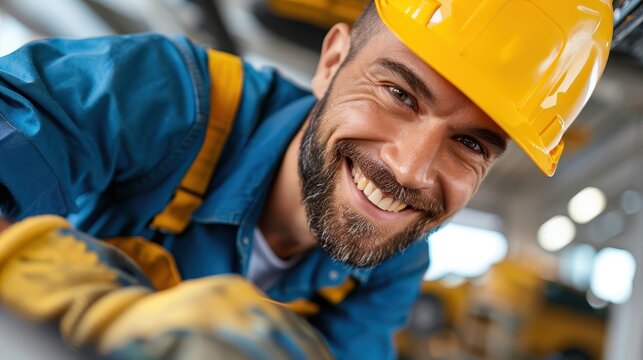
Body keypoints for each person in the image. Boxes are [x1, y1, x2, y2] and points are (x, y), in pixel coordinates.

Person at [0, 0, 613, 359]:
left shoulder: (391, 267)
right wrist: (96, 308)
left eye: (471, 143)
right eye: (398, 93)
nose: (409, 169)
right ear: (330, 62)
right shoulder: (170, 98)